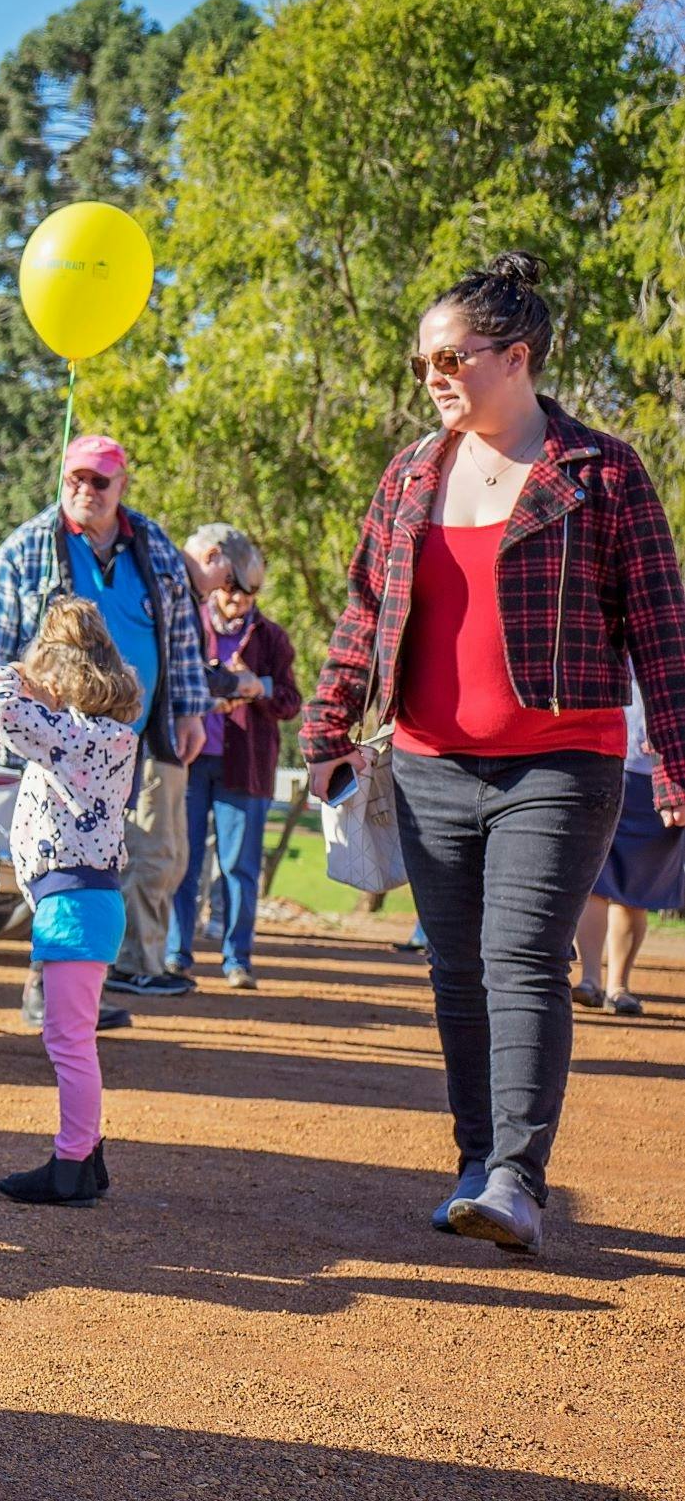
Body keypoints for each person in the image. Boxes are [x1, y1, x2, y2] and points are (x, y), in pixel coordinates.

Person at [302, 250, 685, 1256]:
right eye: (424, 358)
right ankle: (476, 1163)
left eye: (451, 356)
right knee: (457, 971)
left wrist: (679, 763)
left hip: (560, 762)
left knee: (521, 959)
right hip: (429, 766)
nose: (431, 374)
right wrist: (327, 729)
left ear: (515, 358)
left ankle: (518, 1177)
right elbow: (363, 614)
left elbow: (661, 627)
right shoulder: (410, 475)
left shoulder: (601, 473)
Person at [0, 435, 210, 1009]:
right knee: (59, 861)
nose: (85, 489)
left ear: (121, 486)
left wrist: (192, 710)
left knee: (149, 853)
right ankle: (47, 991)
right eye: (75, 477)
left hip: (138, 736)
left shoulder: (151, 543)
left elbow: (181, 634)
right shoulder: (31, 545)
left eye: (99, 480)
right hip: (62, 741)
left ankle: (114, 976)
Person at [0, 599, 143, 1207]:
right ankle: (88, 1154)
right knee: (73, 1039)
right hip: (85, 901)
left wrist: (19, 674)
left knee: (67, 1042)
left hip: (73, 903)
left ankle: (71, 1161)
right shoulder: (110, 736)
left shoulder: (71, 737)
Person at [167, 525, 300, 988]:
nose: (236, 603)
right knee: (182, 860)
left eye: (246, 597)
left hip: (245, 766)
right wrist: (212, 695)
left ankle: (237, 959)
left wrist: (256, 687)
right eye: (230, 594)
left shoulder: (272, 638)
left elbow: (290, 700)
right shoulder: (186, 623)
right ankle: (176, 954)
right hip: (192, 756)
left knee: (239, 866)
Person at [574, 678, 672, 1017]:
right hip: (602, 758)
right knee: (595, 879)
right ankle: (590, 980)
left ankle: (618, 985)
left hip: (657, 773)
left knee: (635, 887)